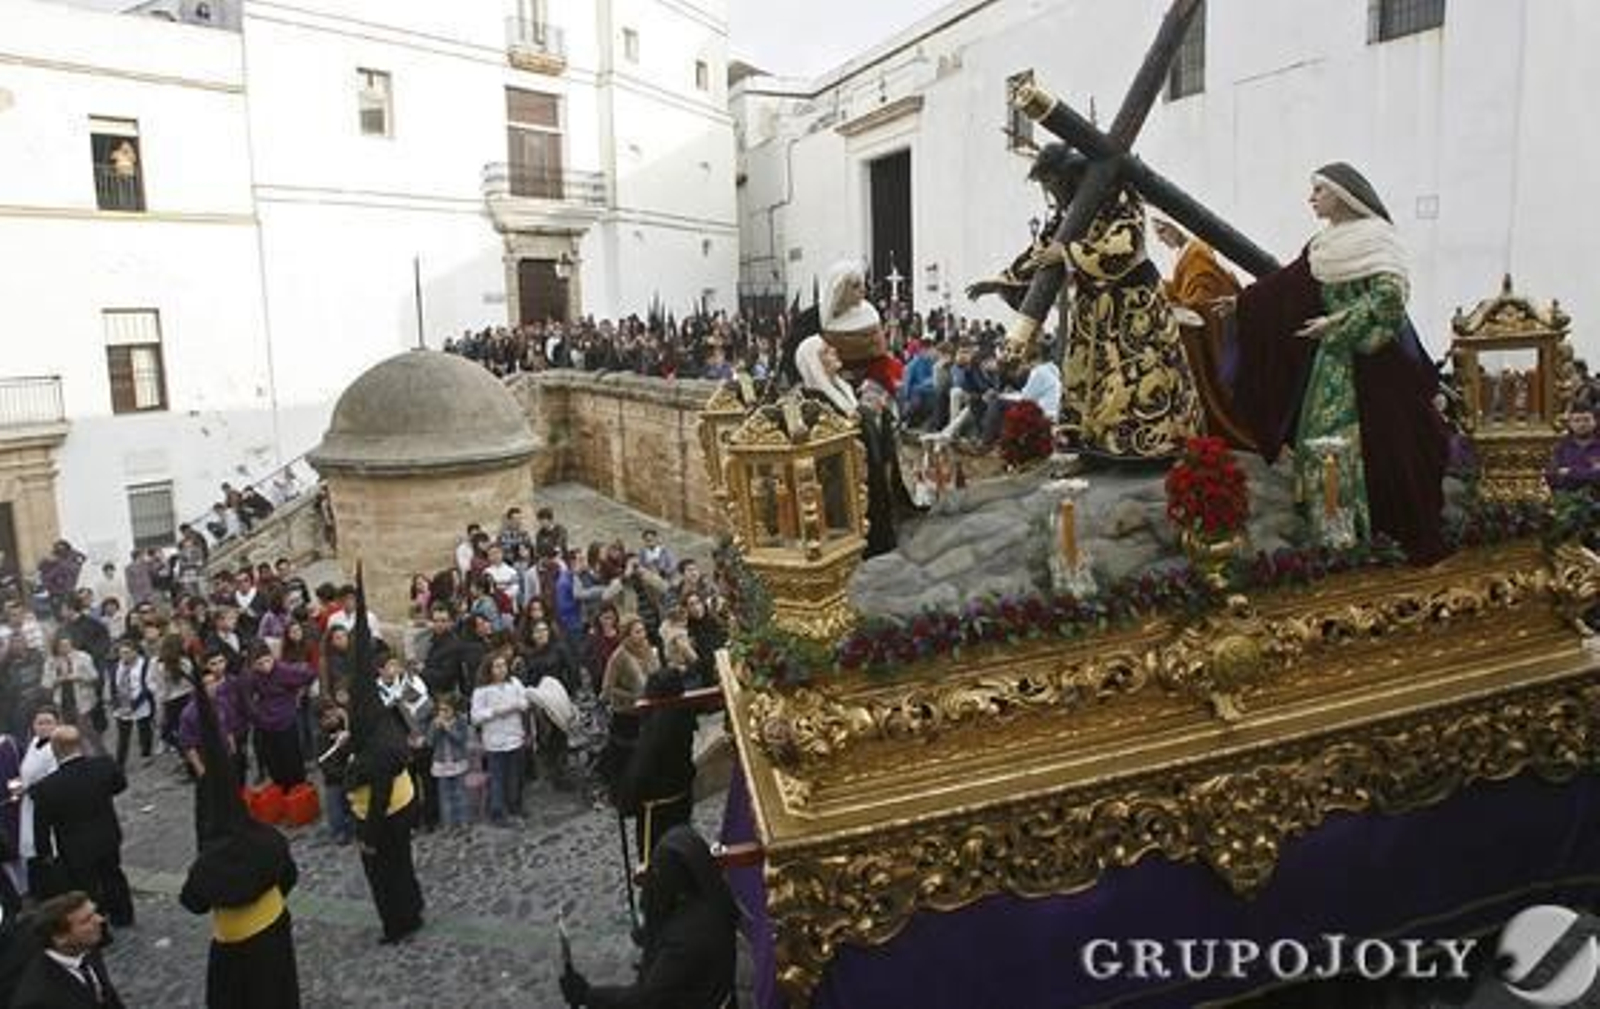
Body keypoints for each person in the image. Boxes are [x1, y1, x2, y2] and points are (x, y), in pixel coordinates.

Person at [1226, 162, 1448, 564]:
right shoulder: (1322, 245)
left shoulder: (1378, 239)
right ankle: (1332, 526)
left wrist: (1338, 323)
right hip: (1332, 364)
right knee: (1322, 441)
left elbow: (1390, 299)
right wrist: (1241, 303)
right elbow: (1285, 286)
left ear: (1344, 195)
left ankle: (1382, 531)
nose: (1311, 199)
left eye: (1319, 191)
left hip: (1377, 364)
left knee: (1388, 446)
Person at [972, 143, 1200, 462]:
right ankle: (1092, 448)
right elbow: (1041, 251)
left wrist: (1068, 254)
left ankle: (1150, 447)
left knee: (1137, 373)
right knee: (1085, 377)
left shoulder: (1118, 193)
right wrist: (1001, 280)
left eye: (1051, 183)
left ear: (1065, 175)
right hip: (1091, 306)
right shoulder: (1068, 211)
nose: (1051, 194)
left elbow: (1126, 243)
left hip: (1132, 301)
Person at [178, 660, 301, 1009]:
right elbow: (289, 876)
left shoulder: (208, 864)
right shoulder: (269, 839)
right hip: (274, 924)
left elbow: (193, 902)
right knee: (281, 988)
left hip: (236, 942)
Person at [559, 826, 738, 1009]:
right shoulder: (714, 896)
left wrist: (588, 995)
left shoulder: (685, 940)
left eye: (658, 872)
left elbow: (645, 1000)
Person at [342, 574, 425, 944]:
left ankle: (399, 922)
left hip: (385, 812)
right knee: (403, 865)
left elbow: (376, 795)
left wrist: (368, 838)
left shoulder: (374, 750)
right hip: (403, 803)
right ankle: (414, 907)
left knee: (385, 874)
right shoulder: (384, 724)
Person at [28, 727, 132, 927]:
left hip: (74, 844)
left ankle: (97, 926)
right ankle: (123, 915)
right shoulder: (104, 766)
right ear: (79, 744)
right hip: (107, 833)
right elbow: (120, 785)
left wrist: (45, 855)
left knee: (86, 885)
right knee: (113, 873)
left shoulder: (46, 788)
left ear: (55, 749)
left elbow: (41, 827)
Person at [616, 667, 696, 865]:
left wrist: (626, 801)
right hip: (680, 795)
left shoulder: (658, 727)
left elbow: (641, 769)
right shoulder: (682, 713)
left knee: (658, 859)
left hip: (657, 809)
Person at [9, 891, 125, 1008]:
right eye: (87, 920)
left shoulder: (86, 947)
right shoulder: (38, 997)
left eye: (94, 913)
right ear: (60, 938)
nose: (100, 920)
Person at [470, 650, 528, 823]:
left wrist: (516, 705)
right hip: (495, 742)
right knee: (497, 778)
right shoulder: (482, 690)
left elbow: (525, 701)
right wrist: (495, 712)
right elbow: (475, 717)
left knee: (515, 776)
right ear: (489, 669)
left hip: (515, 737)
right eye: (497, 666)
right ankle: (498, 811)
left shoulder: (515, 683)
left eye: (504, 666)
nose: (501, 670)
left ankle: (515, 805)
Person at [17, 707, 60, 896]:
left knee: (44, 845)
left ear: (57, 724)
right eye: (39, 723)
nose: (43, 727)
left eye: (48, 722)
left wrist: (28, 789)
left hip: (45, 804)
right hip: (28, 803)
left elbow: (54, 778)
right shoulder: (34, 742)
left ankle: (50, 888)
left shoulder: (56, 747)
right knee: (29, 845)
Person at [105, 643, 154, 769]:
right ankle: (120, 762)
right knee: (123, 735)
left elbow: (147, 686)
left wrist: (134, 705)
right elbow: (113, 686)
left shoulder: (145, 664)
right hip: (122, 703)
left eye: (127, 652)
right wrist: (116, 704)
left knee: (144, 729)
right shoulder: (117, 666)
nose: (124, 656)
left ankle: (146, 753)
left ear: (135, 652)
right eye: (121, 653)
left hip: (140, 702)